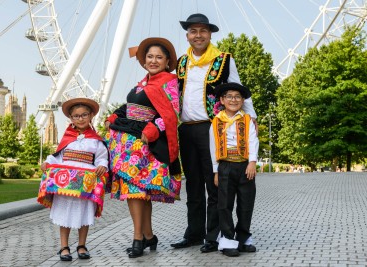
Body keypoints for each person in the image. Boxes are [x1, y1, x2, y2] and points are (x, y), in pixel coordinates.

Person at [170, 13, 257, 253]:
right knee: (194, 186)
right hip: (186, 128)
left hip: (212, 128)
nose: (198, 35)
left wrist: (253, 120)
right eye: (193, 31)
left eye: (203, 31)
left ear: (210, 34)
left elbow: (240, 90)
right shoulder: (181, 62)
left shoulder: (224, 60)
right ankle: (194, 233)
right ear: (187, 36)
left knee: (215, 185)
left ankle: (214, 235)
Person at [104, 37, 181, 258]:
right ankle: (148, 236)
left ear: (167, 61)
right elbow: (131, 108)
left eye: (158, 57)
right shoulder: (143, 83)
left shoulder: (169, 83)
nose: (153, 60)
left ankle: (138, 238)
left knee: (136, 192)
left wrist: (152, 131)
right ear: (144, 60)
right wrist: (115, 115)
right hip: (128, 145)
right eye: (149, 56)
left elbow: (170, 114)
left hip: (146, 146)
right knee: (140, 193)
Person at [37, 98, 109, 261]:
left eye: (84, 115)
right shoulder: (67, 138)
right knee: (65, 214)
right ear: (70, 118)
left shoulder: (96, 140)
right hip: (66, 184)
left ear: (91, 115)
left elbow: (102, 157)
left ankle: (82, 245)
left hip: (85, 184)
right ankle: (64, 246)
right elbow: (57, 156)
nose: (80, 118)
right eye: (76, 116)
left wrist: (102, 165)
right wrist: (48, 162)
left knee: (84, 213)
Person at [209, 82, 259, 257]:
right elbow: (213, 146)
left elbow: (253, 141)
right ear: (222, 100)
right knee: (224, 205)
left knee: (246, 204)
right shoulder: (216, 122)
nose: (233, 99)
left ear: (243, 100)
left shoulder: (247, 120)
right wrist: (216, 171)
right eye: (229, 96)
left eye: (237, 96)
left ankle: (244, 238)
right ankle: (228, 240)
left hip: (245, 166)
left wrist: (252, 162)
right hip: (225, 166)